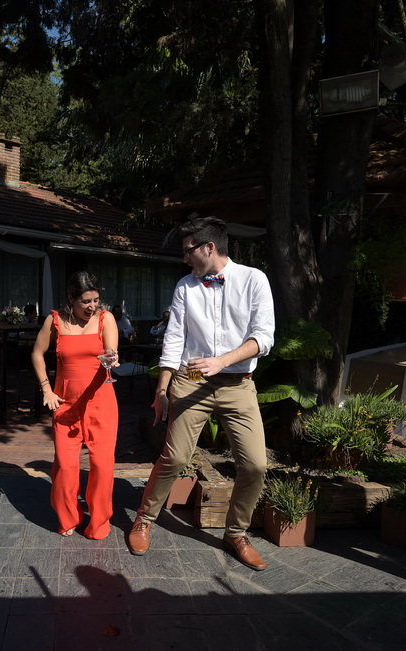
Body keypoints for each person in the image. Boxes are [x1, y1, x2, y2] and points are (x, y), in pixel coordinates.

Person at [127, 216, 275, 570]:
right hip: (191, 379)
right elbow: (174, 338)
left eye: (188, 250)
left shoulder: (254, 280)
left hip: (238, 383)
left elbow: (264, 337)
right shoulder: (185, 287)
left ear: (210, 247)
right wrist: (162, 388)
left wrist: (223, 361)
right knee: (175, 458)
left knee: (255, 464)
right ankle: (145, 519)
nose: (185, 259)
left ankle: (235, 533)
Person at [31, 271, 119, 540]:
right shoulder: (55, 320)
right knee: (67, 467)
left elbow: (112, 352)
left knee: (102, 467)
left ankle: (99, 523)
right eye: (85, 302)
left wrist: (112, 359)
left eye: (96, 300)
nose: (92, 307)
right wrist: (46, 388)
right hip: (66, 405)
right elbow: (36, 353)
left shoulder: (106, 318)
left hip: (101, 402)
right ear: (71, 299)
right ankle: (69, 516)